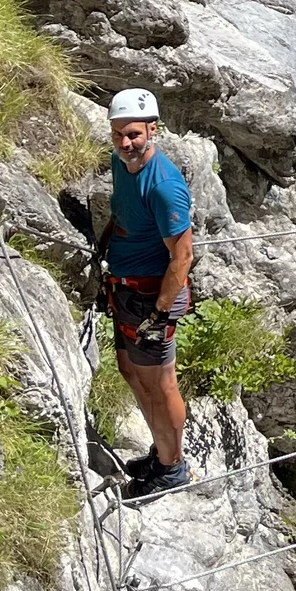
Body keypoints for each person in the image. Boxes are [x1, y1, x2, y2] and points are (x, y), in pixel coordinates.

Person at [104, 88, 194, 498]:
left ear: (152, 130)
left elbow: (182, 257)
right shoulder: (121, 163)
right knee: (130, 371)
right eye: (119, 133)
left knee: (161, 383)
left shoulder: (164, 186)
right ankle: (162, 452)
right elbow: (122, 210)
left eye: (135, 134)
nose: (126, 143)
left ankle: (172, 467)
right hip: (124, 289)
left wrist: (158, 314)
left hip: (151, 298)